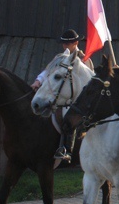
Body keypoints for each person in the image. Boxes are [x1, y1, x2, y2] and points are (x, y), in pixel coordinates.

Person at [31, 29, 93, 160]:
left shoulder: (85, 59)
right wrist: (38, 81)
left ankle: (66, 148)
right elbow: (48, 71)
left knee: (68, 116)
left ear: (75, 43)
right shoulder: (59, 58)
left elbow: (89, 79)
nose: (64, 46)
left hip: (77, 99)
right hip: (61, 95)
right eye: (63, 43)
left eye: (67, 43)